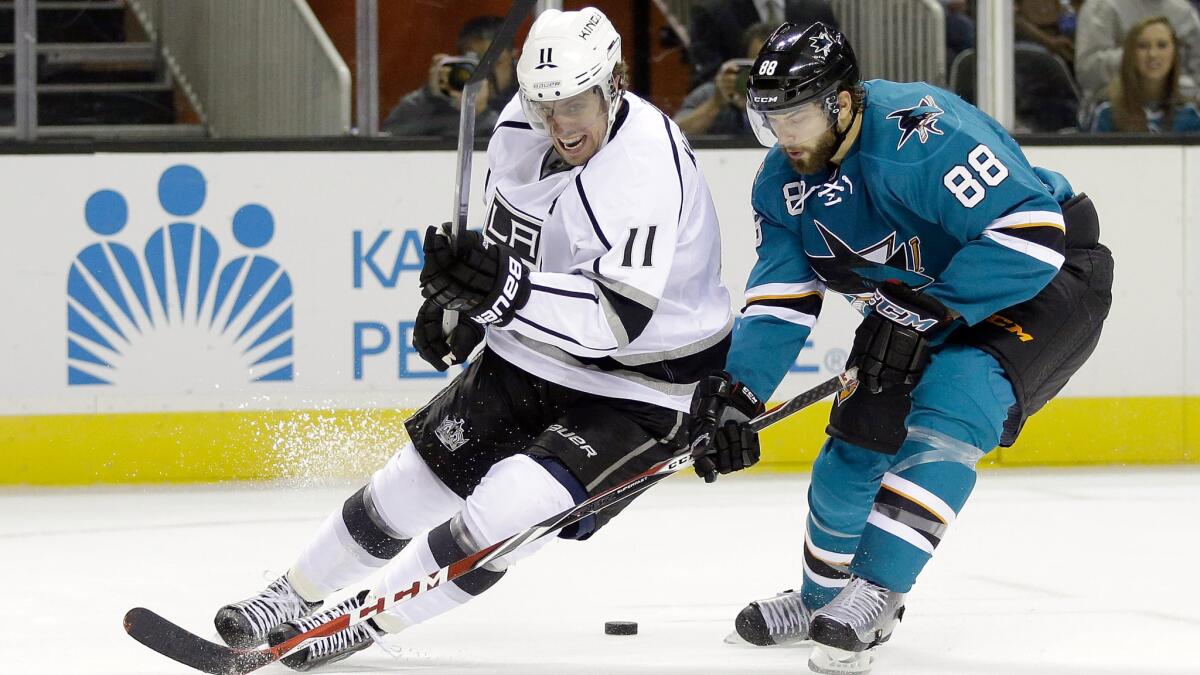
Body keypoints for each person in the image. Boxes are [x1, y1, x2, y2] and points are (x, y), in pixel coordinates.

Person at [212, 7, 734, 671]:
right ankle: (288, 595)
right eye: (546, 104)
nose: (560, 124)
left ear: (615, 84)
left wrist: (503, 293)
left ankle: (360, 618)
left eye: (575, 103)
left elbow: (614, 317)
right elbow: (507, 248)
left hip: (642, 384)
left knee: (508, 511)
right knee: (410, 485)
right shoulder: (519, 126)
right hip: (535, 351)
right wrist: (460, 303)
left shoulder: (644, 165)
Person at [687, 22, 1112, 674]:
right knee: (853, 445)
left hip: (1043, 279)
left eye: (797, 115)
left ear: (844, 101)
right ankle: (819, 596)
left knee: (953, 398)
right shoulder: (781, 184)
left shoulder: (922, 134)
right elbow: (781, 299)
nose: (785, 137)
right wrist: (738, 391)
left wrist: (923, 310)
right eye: (773, 119)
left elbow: (1030, 233)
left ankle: (878, 588)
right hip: (925, 301)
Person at [382, 16, 517, 137]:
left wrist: (481, 114)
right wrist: (429, 96)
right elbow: (391, 132)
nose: (484, 74)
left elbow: (520, 144)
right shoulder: (449, 95)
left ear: (514, 58)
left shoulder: (525, 97)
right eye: (476, 63)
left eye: (493, 63)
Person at [687, 0, 838, 88]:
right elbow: (707, 76)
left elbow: (832, 67)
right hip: (737, 123)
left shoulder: (818, 11)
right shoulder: (711, 12)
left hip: (805, 108)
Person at [1075, 0, 1200, 105]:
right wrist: (1135, 57)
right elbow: (1087, 72)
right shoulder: (1102, 6)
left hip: (1177, 110)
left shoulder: (1185, 12)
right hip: (1113, 111)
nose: (1153, 53)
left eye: (1161, 45)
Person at [1090, 16, 1200, 131]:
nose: (1152, 54)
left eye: (1162, 45)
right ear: (1130, 53)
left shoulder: (1190, 114)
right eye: (1143, 46)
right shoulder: (1106, 111)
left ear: (1174, 53)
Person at [674, 23, 775, 137]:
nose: (765, 76)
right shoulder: (713, 93)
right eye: (757, 67)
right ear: (743, 63)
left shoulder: (796, 96)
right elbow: (674, 135)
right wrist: (715, 104)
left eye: (775, 69)